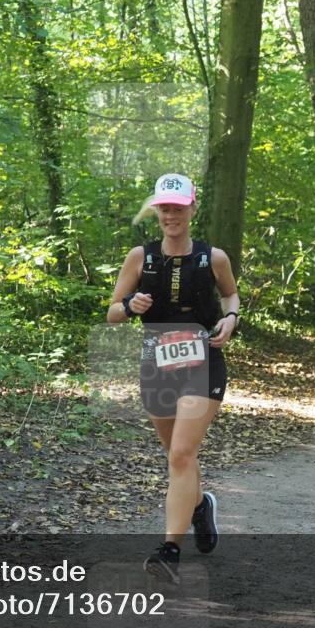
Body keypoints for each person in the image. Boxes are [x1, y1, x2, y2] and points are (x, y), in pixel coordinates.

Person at [106, 173, 240, 583]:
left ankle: (169, 551)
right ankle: (199, 505)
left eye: (178, 208)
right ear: (156, 211)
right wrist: (130, 305)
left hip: (203, 360)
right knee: (177, 456)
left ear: (192, 209)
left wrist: (231, 318)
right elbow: (112, 312)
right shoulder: (140, 257)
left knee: (181, 454)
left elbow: (230, 294)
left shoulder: (213, 257)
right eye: (164, 208)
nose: (170, 215)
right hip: (157, 362)